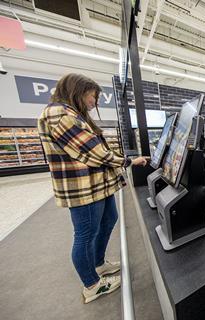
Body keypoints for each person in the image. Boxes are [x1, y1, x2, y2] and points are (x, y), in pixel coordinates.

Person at [37, 73, 148, 303]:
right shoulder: (59, 114)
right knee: (85, 235)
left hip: (97, 185)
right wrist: (129, 161)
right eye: (92, 97)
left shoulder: (72, 114)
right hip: (83, 187)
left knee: (109, 219)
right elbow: (93, 152)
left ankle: (98, 264)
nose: (94, 102)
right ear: (79, 91)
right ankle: (92, 285)